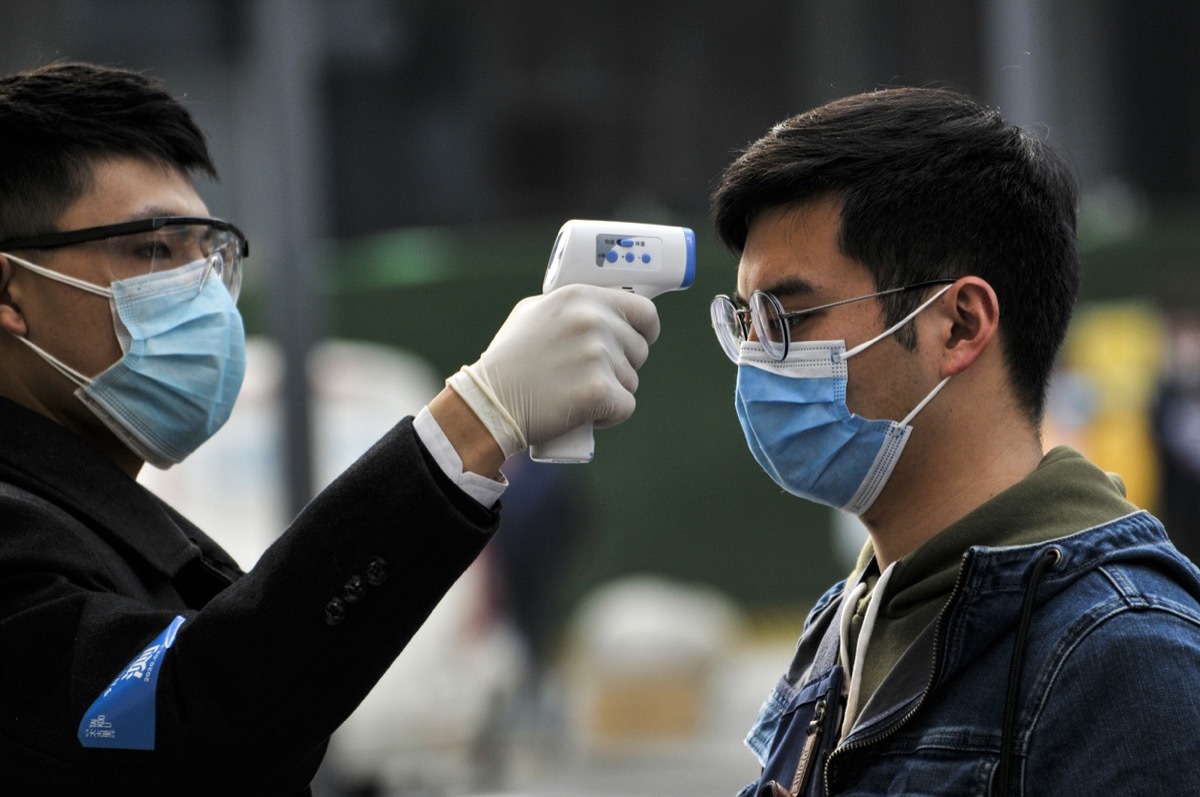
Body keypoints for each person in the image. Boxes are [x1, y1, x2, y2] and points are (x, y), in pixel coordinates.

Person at [0, 62, 660, 795]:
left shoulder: (105, 520)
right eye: (153, 248)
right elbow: (199, 717)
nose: (201, 294)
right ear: (10, 290)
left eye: (211, 253)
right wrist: (476, 418)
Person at [708, 86, 1200, 796]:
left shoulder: (1126, 656)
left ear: (961, 324)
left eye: (789, 317)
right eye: (746, 324)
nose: (757, 358)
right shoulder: (850, 619)